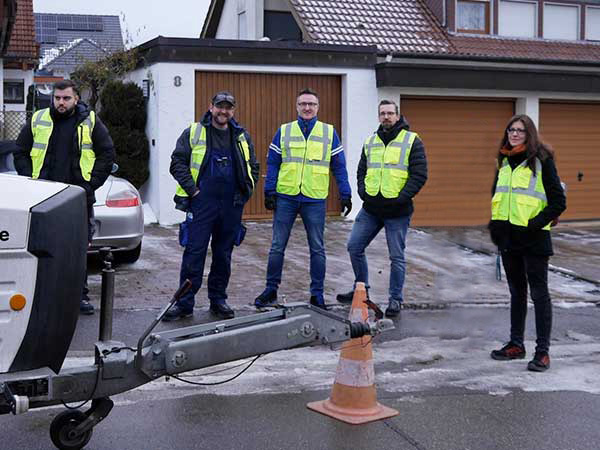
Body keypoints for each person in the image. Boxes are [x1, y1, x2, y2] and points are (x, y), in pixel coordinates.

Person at [14, 79, 115, 315]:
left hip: (76, 198)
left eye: (66, 98)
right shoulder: (39, 119)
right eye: (57, 98)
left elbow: (107, 153)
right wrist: (31, 181)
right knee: (41, 248)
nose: (61, 102)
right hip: (42, 199)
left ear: (76, 99)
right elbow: (20, 151)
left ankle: (79, 297)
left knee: (77, 249)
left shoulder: (89, 121)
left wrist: (90, 186)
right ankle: (42, 296)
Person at [254, 88, 352, 309]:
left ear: (317, 108)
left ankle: (316, 294)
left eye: (311, 104)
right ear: (297, 107)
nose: (307, 108)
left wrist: (345, 193)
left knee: (317, 247)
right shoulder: (285, 131)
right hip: (286, 196)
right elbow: (273, 162)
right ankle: (271, 289)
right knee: (277, 245)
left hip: (314, 198)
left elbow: (339, 167)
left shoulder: (329, 133)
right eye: (303, 104)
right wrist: (269, 191)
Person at [165, 91, 259, 321]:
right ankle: (184, 304)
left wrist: (246, 191)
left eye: (228, 107)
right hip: (202, 204)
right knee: (194, 253)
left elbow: (253, 166)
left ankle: (218, 300)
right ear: (211, 107)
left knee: (223, 255)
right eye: (219, 106)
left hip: (231, 204)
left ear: (233, 111)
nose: (223, 111)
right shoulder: (194, 132)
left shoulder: (241, 136)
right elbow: (177, 162)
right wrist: (193, 190)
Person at [336, 100, 428, 318]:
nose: (386, 117)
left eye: (390, 113)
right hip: (371, 209)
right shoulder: (371, 141)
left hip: (398, 211)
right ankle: (362, 290)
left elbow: (419, 175)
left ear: (397, 116)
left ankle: (395, 299)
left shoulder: (412, 141)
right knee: (354, 247)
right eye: (382, 113)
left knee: (396, 257)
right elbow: (361, 171)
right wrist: (363, 192)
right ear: (378, 116)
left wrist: (401, 198)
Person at [488, 114, 566, 372]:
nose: (514, 134)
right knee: (517, 293)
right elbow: (498, 198)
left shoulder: (542, 161)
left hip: (534, 240)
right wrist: (496, 229)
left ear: (529, 133)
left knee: (539, 294)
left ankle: (543, 352)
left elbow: (558, 201)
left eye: (520, 130)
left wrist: (535, 224)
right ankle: (516, 344)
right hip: (509, 239)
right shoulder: (505, 162)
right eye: (511, 129)